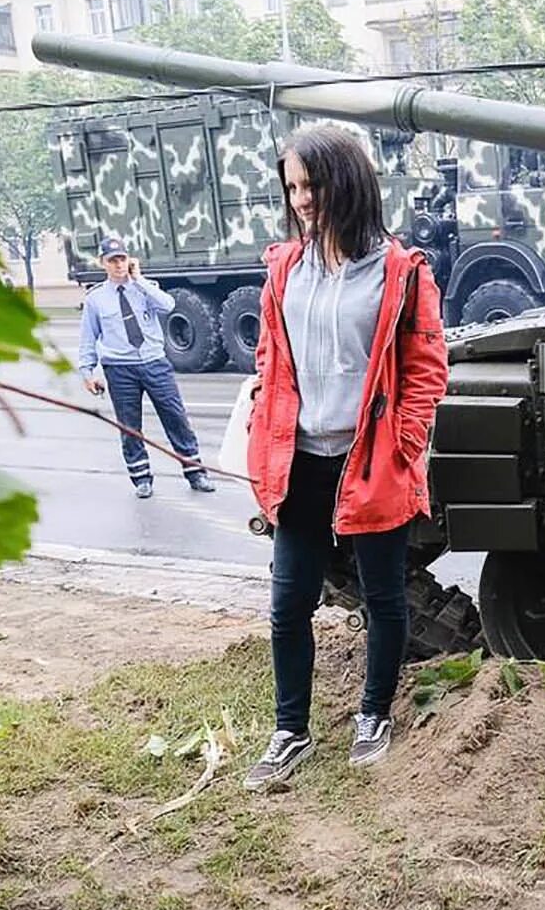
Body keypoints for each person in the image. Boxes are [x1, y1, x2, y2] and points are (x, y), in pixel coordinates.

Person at [242, 124, 449, 790]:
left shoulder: (400, 273)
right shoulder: (283, 269)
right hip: (300, 458)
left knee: (383, 596)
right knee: (288, 601)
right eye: (293, 186)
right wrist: (262, 424)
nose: (302, 198)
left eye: (314, 184)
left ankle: (373, 714)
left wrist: (404, 443)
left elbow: (426, 369)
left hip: (369, 459)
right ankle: (290, 729)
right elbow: (271, 356)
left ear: (348, 183)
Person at [78, 237, 216, 499]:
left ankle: (196, 472)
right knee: (129, 426)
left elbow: (168, 305)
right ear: (103, 263)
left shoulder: (146, 288)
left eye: (122, 259)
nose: (119, 265)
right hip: (119, 368)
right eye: (113, 260)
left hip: (154, 362)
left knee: (175, 417)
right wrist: (87, 372)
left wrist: (138, 279)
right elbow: (88, 337)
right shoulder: (96, 299)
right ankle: (141, 477)